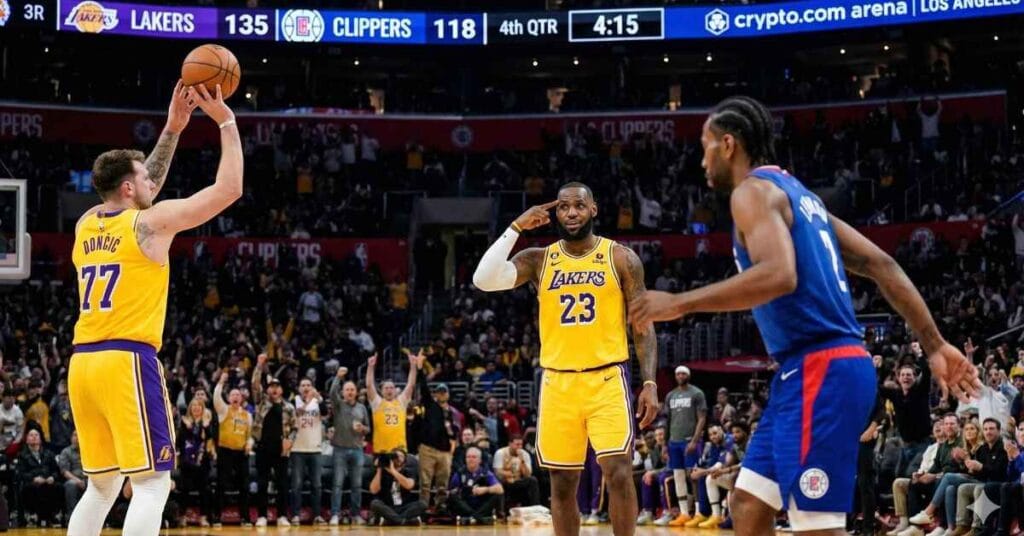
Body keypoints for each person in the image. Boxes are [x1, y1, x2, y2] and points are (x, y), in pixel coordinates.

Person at [629, 96, 979, 536]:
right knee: (748, 503)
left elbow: (780, 274)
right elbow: (882, 264)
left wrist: (680, 302)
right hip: (806, 372)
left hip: (822, 368)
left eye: (706, 146)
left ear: (729, 144)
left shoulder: (751, 192)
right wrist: (934, 343)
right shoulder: (802, 197)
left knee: (816, 526)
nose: (702, 160)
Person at [66, 81, 242, 536]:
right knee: (152, 483)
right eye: (144, 178)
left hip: (83, 364)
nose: (153, 182)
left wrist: (173, 129)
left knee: (101, 486)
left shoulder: (87, 223)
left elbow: (142, 190)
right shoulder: (150, 224)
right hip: (126, 360)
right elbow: (228, 190)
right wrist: (226, 121)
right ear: (128, 187)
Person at [472, 182, 660, 536]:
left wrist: (649, 381)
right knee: (561, 482)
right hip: (558, 382)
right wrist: (516, 227)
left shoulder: (620, 257)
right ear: (555, 213)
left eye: (579, 205)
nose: (571, 212)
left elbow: (643, 326)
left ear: (593, 210)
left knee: (619, 472)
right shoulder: (540, 259)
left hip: (607, 378)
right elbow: (483, 280)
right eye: (563, 207)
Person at [250, 355, 295, 528]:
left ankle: (282, 515)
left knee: (282, 484)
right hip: (263, 447)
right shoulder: (261, 402)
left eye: (277, 387)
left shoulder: (288, 407)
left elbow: (295, 428)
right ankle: (262, 515)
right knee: (262, 483)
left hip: (281, 449)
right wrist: (259, 366)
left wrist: (289, 441)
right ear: (267, 390)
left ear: (281, 390)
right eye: (271, 387)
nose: (274, 390)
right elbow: (255, 384)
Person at [662, 365, 707, 525]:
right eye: (678, 374)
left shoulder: (697, 393)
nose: (680, 376)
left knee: (692, 476)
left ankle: (699, 512)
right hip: (674, 441)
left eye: (683, 374)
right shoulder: (670, 395)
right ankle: (684, 513)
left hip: (689, 441)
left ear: (688, 375)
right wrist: (665, 444)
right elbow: (667, 421)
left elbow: (702, 418)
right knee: (678, 476)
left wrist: (695, 440)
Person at [212, 370, 253, 526]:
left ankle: (245, 517)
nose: (235, 396)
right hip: (225, 452)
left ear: (241, 398)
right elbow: (216, 397)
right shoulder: (224, 410)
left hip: (241, 453)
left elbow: (250, 435)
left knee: (244, 486)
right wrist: (221, 382)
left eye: (238, 395)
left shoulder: (247, 415)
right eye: (233, 394)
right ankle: (217, 516)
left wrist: (249, 443)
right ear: (229, 398)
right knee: (221, 484)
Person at [329, 375, 370, 525]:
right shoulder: (338, 404)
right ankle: (335, 514)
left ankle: (356, 515)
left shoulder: (362, 408)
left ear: (356, 392)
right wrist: (338, 377)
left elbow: (368, 428)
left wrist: (363, 428)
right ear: (343, 392)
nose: (350, 392)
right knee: (337, 484)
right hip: (339, 449)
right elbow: (332, 393)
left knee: (357, 485)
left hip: (357, 450)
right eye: (347, 389)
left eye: (352, 389)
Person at [365, 352, 420, 454]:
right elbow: (369, 385)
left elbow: (411, 384)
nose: (389, 390)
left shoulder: (401, 402)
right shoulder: (377, 403)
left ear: (395, 390)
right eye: (386, 388)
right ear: (381, 391)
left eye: (391, 388)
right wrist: (370, 367)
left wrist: (413, 366)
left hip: (399, 450)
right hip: (381, 450)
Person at [290, 377, 325, 525]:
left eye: (308, 385)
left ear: (312, 387)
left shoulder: (318, 401)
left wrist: (318, 400)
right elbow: (297, 414)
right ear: (299, 388)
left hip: (315, 448)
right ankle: (295, 515)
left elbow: (326, 414)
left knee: (316, 485)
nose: (306, 388)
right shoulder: (294, 400)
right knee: (297, 485)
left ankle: (317, 515)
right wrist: (309, 400)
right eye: (303, 385)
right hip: (297, 448)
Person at [176, 398, 215, 528]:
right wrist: (188, 427)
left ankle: (203, 517)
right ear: (190, 408)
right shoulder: (184, 421)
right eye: (193, 405)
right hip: (187, 461)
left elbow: (210, 439)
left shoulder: (207, 422)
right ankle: (182, 517)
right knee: (184, 489)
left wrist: (206, 427)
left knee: (204, 490)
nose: (196, 407)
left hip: (202, 460)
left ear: (202, 408)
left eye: (199, 405)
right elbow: (179, 441)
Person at [368, 449, 426, 526]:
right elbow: (373, 490)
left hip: (404, 507)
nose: (398, 458)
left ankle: (391, 520)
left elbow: (409, 485)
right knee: (375, 503)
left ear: (405, 461)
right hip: (387, 507)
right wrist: (379, 469)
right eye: (396, 455)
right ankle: (402, 521)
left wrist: (393, 471)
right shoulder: (382, 472)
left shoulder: (408, 472)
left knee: (422, 504)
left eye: (401, 456)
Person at [448, 447, 504, 525]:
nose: (471, 459)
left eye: (474, 457)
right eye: (468, 457)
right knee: (452, 497)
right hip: (466, 505)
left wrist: (485, 489)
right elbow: (451, 492)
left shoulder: (486, 473)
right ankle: (478, 518)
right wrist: (464, 490)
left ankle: (472, 518)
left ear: (480, 460)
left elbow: (500, 489)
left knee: (497, 495)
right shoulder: (459, 473)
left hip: (481, 505)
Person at [17, 428, 61, 527]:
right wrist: (34, 478)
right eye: (31, 435)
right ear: (27, 440)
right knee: (33, 488)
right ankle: (33, 516)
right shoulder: (22, 455)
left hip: (47, 481)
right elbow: (20, 473)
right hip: (31, 482)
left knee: (58, 487)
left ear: (40, 439)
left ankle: (52, 516)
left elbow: (56, 470)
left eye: (36, 435)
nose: (34, 437)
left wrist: (52, 477)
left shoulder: (49, 454)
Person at [493, 434, 540, 511]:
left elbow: (528, 475)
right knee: (499, 483)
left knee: (532, 480)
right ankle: (501, 511)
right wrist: (510, 474)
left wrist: (522, 461)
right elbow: (497, 472)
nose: (519, 447)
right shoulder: (500, 453)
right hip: (505, 482)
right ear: (510, 444)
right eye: (517, 444)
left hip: (518, 481)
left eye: (521, 444)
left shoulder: (525, 454)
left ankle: (535, 509)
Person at [58, 431, 87, 520]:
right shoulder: (66, 452)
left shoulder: (88, 451)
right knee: (71, 485)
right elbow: (64, 471)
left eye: (79, 435)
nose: (77, 438)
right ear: (71, 438)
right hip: (73, 479)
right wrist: (77, 480)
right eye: (75, 435)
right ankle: (72, 517)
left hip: (88, 478)